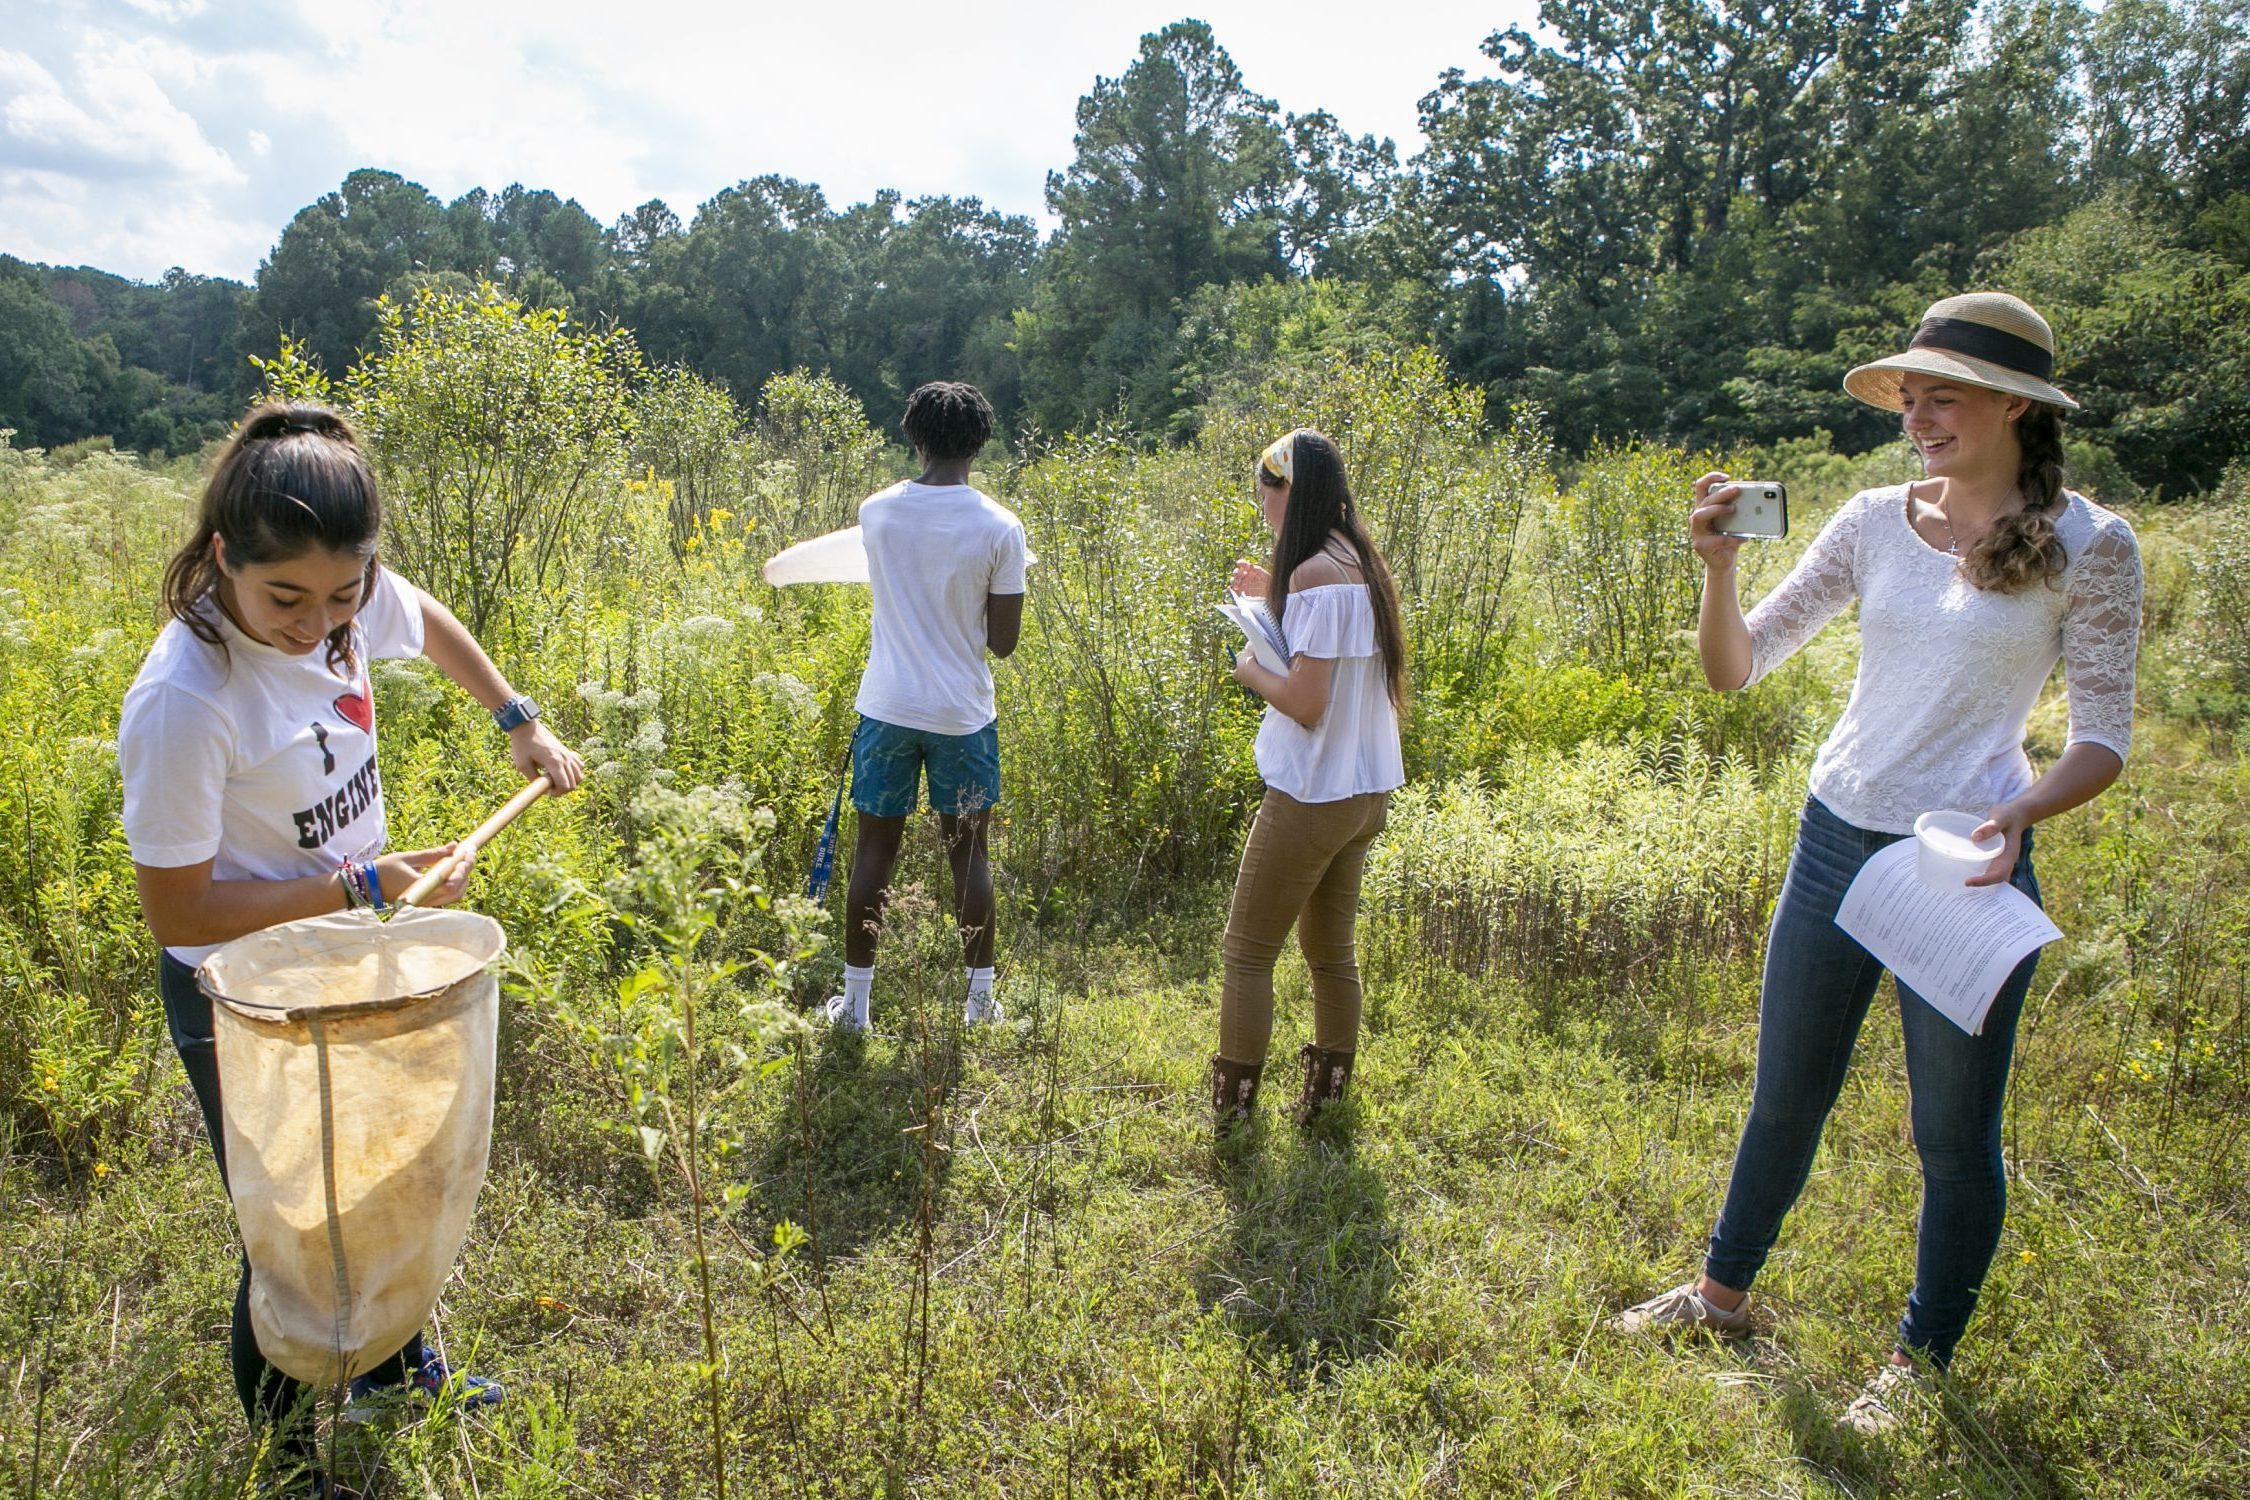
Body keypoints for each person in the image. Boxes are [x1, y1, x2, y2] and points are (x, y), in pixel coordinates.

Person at [1614, 293, 2142, 1432]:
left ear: (2015, 404)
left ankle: (1918, 1365)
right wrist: (1715, 571)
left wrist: (2023, 813)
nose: (1918, 415)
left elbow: (2104, 736)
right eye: (1910, 394)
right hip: (1834, 840)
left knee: (1953, 1136)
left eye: (1941, 393)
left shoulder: (2091, 546)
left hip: (1962, 867)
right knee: (1785, 1093)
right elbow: (1736, 667)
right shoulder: (1868, 518)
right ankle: (1721, 1296)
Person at [117, 402, 585, 1494]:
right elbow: (179, 914)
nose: (317, 624)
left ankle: (395, 1375)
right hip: (247, 994)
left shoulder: (347, 601)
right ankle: (286, 1461)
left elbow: (426, 623)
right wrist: (364, 883)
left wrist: (519, 716)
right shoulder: (186, 701)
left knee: (387, 1174)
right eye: (285, 598)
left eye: (343, 594)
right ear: (225, 555)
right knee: (291, 1228)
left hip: (352, 949)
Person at [1210, 429, 1408, 1136]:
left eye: (1264, 492)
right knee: (1331, 954)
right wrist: (1275, 595)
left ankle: (1232, 1121)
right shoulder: (1358, 560)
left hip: (1312, 793)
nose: (1261, 507)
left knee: (1247, 952)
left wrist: (1250, 671)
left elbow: (1306, 701)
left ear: (1287, 491)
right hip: (1363, 793)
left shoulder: (1315, 573)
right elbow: (1338, 647)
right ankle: (1326, 1102)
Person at [824, 381, 1026, 1032]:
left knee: (872, 855)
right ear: (979, 443)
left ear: (913, 438)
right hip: (961, 716)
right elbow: (1003, 643)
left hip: (886, 708)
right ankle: (979, 1006)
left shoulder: (876, 512)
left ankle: (855, 1009)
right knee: (968, 856)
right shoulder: (1001, 527)